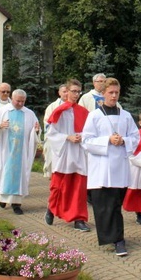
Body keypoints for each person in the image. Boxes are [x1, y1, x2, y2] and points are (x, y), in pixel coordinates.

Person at [81, 77, 140, 257]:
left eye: (116, 93)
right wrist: (107, 140)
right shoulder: (95, 116)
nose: (114, 96)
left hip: (119, 167)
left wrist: (124, 140)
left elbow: (135, 138)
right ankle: (115, 239)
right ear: (103, 94)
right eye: (110, 93)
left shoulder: (126, 115)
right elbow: (86, 140)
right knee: (104, 206)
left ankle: (117, 238)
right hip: (101, 168)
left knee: (115, 204)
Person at [44, 79, 90, 232]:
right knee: (59, 186)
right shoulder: (59, 111)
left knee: (79, 187)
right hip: (64, 153)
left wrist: (81, 137)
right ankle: (52, 208)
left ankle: (79, 219)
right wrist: (67, 137)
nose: (76, 94)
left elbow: (90, 132)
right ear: (67, 92)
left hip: (79, 153)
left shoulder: (84, 112)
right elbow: (51, 132)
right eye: (73, 91)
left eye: (78, 91)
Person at [0, 89, 40, 215]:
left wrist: (36, 131)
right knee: (4, 173)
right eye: (18, 101)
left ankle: (17, 204)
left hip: (21, 152)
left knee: (20, 176)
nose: (20, 103)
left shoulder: (29, 114)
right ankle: (2, 197)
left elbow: (35, 129)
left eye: (23, 101)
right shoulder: (2, 112)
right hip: (5, 151)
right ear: (12, 98)